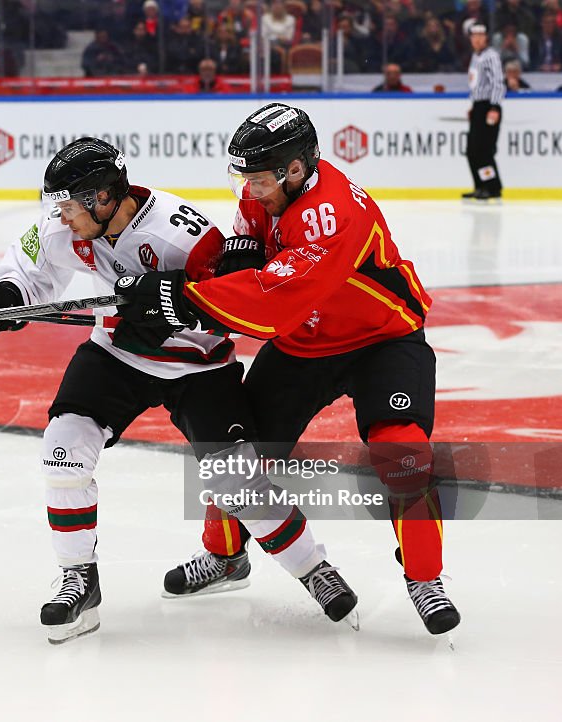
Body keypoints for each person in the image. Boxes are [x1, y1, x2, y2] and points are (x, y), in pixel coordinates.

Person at [0, 137, 358, 643]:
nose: (63, 214)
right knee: (63, 452)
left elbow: (233, 305)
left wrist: (166, 314)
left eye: (73, 203)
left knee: (237, 482)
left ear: (103, 197)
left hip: (197, 363)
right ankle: (80, 580)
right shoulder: (64, 227)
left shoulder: (181, 235)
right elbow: (30, 276)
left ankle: (313, 569)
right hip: (116, 355)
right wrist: (1, 300)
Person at [116, 104, 461, 636]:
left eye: (258, 179)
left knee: (402, 449)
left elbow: (279, 296)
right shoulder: (264, 196)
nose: (248, 191)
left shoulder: (332, 212)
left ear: (296, 169)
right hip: (306, 344)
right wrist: (207, 271)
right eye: (243, 179)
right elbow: (250, 258)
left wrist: (182, 300)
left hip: (382, 340)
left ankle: (424, 577)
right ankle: (227, 556)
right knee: (236, 449)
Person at [463, 24, 505, 201]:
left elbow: (497, 82)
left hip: (489, 106)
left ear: (486, 38)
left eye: (481, 35)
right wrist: (474, 106)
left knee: (484, 150)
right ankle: (480, 184)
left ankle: (492, 186)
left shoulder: (491, 57)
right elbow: (477, 83)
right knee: (472, 150)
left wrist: (494, 107)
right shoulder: (475, 56)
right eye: (474, 36)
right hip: (479, 106)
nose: (477, 39)